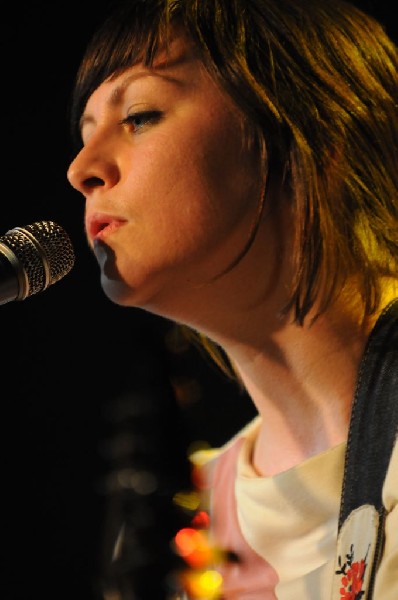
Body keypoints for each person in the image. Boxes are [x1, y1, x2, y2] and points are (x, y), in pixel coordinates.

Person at [66, 0, 398, 597]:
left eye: (139, 115)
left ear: (310, 129)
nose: (81, 169)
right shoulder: (179, 528)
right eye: (86, 135)